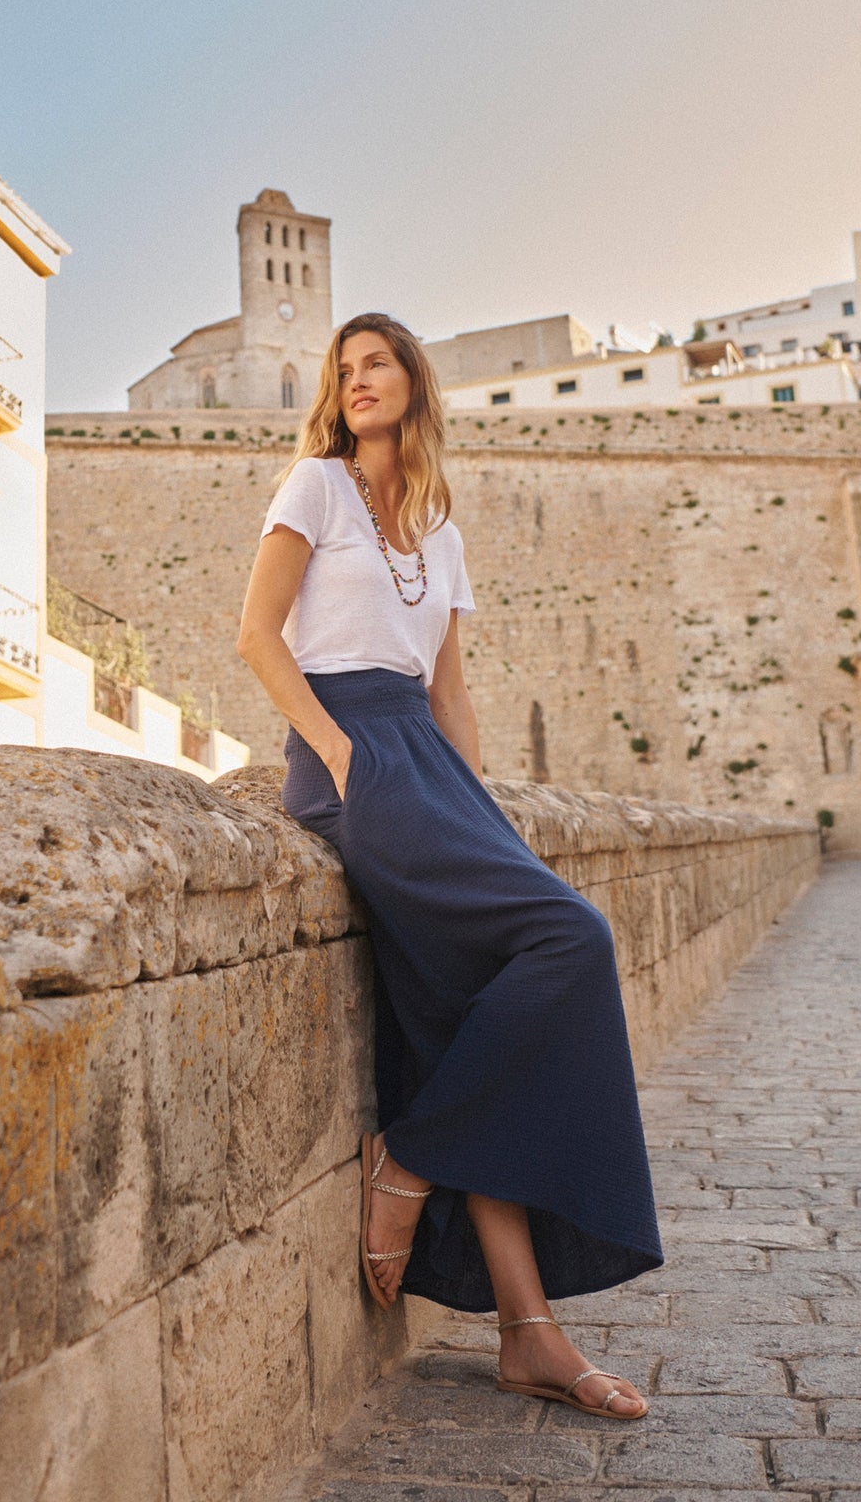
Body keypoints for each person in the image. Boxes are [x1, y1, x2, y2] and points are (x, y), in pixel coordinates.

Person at [237, 312, 662, 1421]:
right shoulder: (315, 488)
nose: (359, 380)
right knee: (572, 936)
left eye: (377, 363)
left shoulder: (439, 531)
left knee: (466, 1014)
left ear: (415, 382)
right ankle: (414, 1161)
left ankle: (528, 1331)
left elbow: (452, 690)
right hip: (355, 753)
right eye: (344, 369)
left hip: (431, 770)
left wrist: (479, 810)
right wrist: (337, 755)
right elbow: (256, 636)